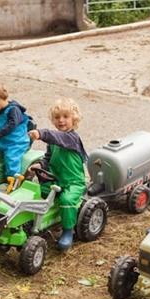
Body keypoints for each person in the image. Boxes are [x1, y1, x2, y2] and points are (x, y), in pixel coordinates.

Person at [28, 98, 88, 252]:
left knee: (67, 199)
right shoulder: (54, 140)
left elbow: (55, 136)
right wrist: (40, 165)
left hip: (73, 182)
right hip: (56, 179)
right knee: (37, 191)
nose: (61, 120)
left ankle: (68, 230)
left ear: (74, 119)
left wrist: (40, 133)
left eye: (65, 116)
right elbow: (48, 158)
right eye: (57, 117)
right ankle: (33, 221)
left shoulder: (71, 138)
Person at [0, 83, 32, 179]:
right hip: (2, 140)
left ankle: (13, 180)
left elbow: (12, 125)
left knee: (11, 158)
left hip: (16, 142)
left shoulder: (14, 110)